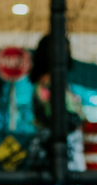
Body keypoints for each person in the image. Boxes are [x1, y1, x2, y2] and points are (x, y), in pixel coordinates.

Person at [27, 34, 86, 173]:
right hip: (54, 149)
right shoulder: (47, 82)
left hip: (67, 145)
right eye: (61, 50)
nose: (65, 54)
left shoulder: (59, 82)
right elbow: (53, 117)